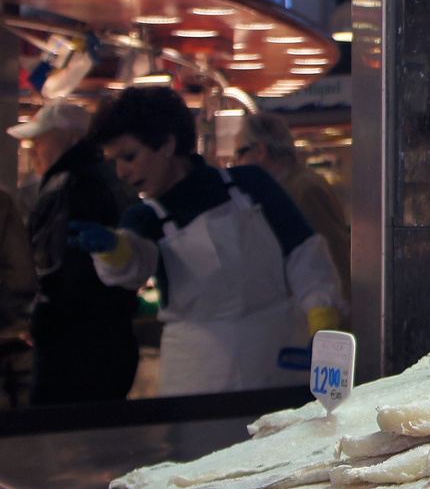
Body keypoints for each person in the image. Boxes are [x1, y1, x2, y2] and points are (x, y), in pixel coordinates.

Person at [71, 87, 345, 396]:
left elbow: (305, 255)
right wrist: (115, 250)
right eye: (114, 162)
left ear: (167, 143)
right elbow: (135, 262)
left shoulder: (252, 184)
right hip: (196, 380)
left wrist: (323, 323)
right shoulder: (143, 218)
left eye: (129, 156)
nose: (121, 172)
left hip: (278, 363)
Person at [9, 99, 140, 404]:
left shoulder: (65, 186)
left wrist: (36, 321)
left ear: (72, 138)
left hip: (71, 347)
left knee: (53, 439)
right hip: (116, 337)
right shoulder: (115, 177)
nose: (32, 148)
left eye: (40, 139)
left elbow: (56, 274)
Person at [236, 112, 350, 298]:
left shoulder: (304, 190)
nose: (237, 163)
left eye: (239, 154)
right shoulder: (291, 187)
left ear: (260, 151)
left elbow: (331, 262)